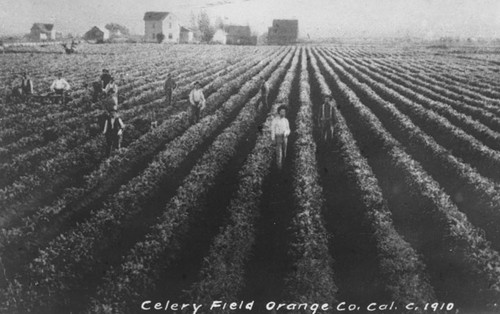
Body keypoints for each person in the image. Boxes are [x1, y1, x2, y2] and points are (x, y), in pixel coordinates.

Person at [271, 105, 290, 170]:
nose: (283, 113)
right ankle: (279, 168)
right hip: (278, 137)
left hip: (284, 137)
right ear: (279, 112)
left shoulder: (286, 120)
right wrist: (273, 139)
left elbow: (288, 129)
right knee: (279, 154)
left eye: (284, 112)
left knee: (284, 152)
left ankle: (284, 165)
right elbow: (273, 130)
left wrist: (286, 133)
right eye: (281, 112)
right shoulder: (275, 120)